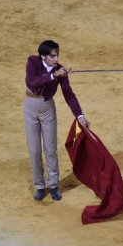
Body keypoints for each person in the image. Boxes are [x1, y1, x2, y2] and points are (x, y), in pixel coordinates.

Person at [24, 40, 90, 201]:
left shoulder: (60, 70)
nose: (56, 59)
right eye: (52, 56)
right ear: (43, 56)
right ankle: (39, 185)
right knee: (34, 150)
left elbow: (69, 95)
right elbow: (33, 82)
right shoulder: (32, 62)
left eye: (57, 55)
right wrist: (53, 75)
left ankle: (53, 185)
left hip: (47, 109)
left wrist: (79, 115)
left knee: (50, 149)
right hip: (30, 108)